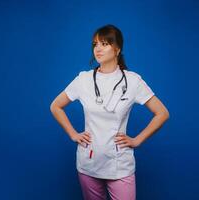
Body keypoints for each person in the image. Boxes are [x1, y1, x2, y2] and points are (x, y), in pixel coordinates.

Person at [50, 24, 170, 200]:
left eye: (104, 44)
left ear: (117, 49)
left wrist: (137, 140)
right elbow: (55, 106)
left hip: (119, 164)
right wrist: (73, 134)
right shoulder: (83, 80)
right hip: (88, 163)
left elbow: (162, 113)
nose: (98, 49)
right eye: (95, 44)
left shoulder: (133, 81)